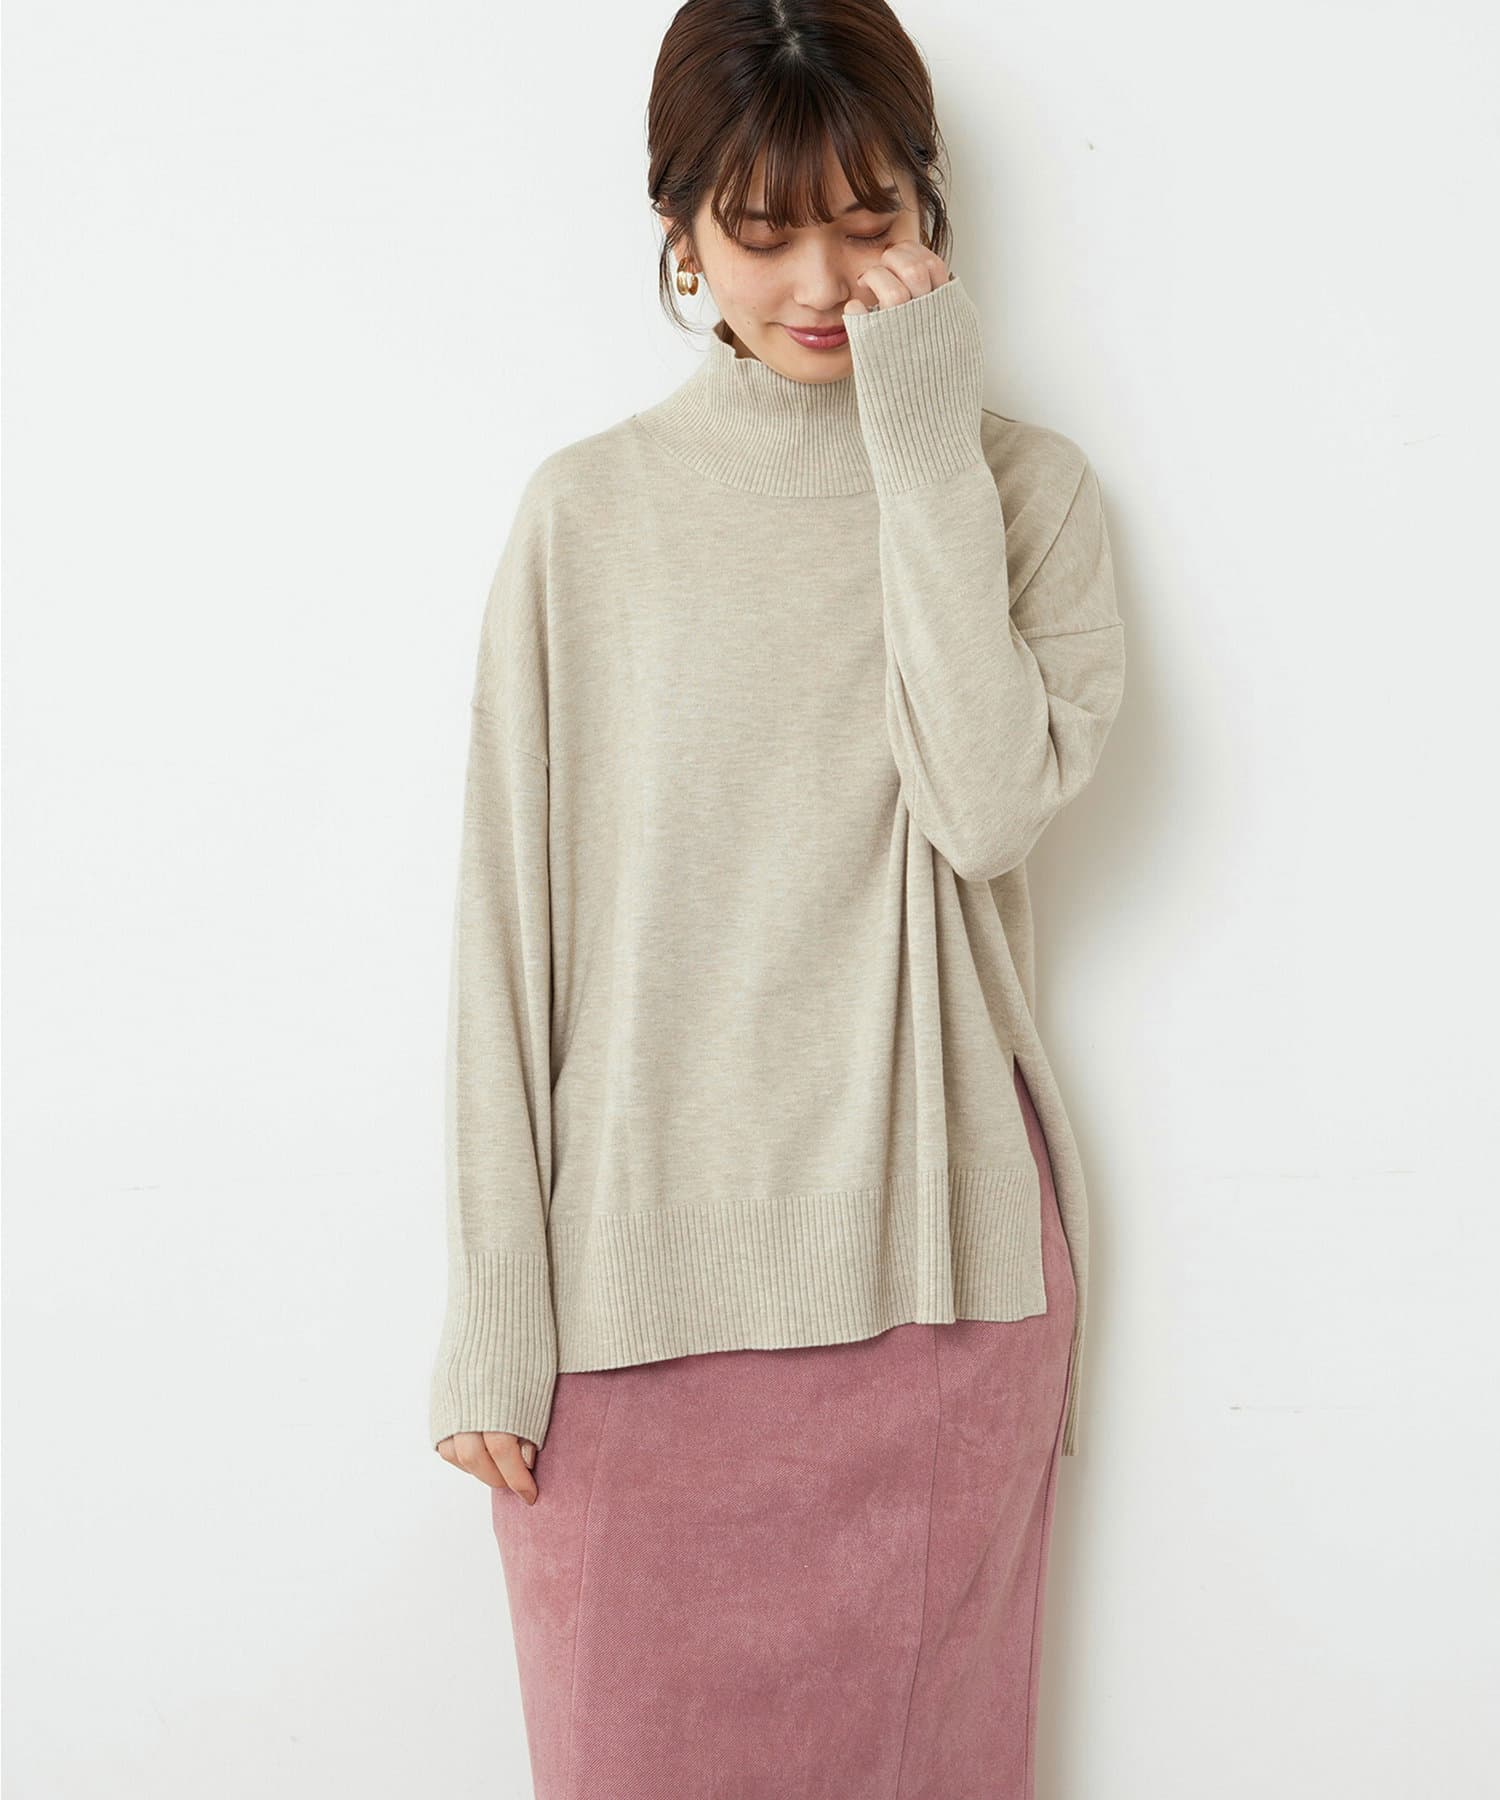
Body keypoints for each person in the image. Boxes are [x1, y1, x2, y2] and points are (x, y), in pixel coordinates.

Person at [427, 2, 1125, 1793]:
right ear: (678, 235)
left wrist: (920, 447)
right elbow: (508, 938)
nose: (820, 281)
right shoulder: (586, 519)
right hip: (633, 1302)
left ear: (930, 208)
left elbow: (984, 810)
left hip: (936, 1283)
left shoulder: (1025, 494)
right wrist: (494, 1313)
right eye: (761, 232)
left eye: (869, 219)